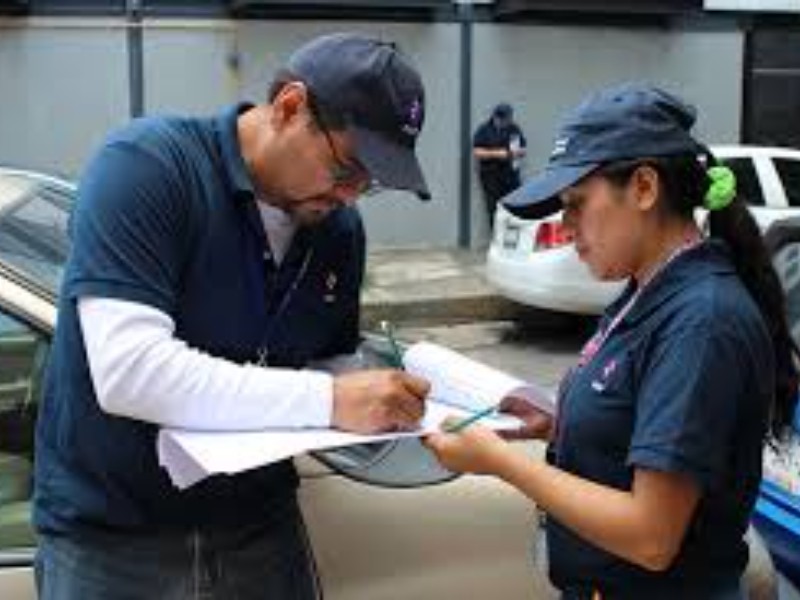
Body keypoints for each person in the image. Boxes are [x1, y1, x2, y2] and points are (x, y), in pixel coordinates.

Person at [34, 32, 432, 600]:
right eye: (347, 169)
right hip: (113, 541)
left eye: (370, 186)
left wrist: (412, 400)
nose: (349, 196)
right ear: (290, 108)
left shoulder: (338, 232)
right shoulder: (149, 167)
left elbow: (328, 363)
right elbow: (129, 373)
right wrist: (330, 398)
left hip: (259, 532)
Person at [427, 83, 800, 599]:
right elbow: (641, 426)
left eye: (578, 204)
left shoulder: (701, 322)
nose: (568, 225)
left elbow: (652, 535)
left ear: (644, 188)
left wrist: (499, 461)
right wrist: (561, 427)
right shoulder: (644, 290)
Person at [472, 102, 527, 222]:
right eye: (504, 119)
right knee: (494, 207)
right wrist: (497, 154)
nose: (506, 122)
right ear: (496, 117)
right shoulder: (484, 130)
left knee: (515, 205)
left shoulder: (514, 129)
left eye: (508, 118)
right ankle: (496, 236)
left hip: (510, 174)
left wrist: (517, 152)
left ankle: (513, 235)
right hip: (491, 175)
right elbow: (477, 151)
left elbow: (523, 149)